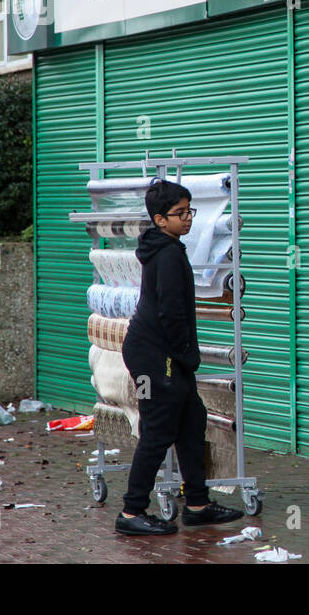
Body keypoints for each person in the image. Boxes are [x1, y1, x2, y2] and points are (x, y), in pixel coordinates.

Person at [117, 179, 244, 535]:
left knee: (192, 422)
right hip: (154, 356)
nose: (188, 218)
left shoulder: (167, 247)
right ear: (160, 219)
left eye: (190, 211)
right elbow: (172, 315)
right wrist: (187, 357)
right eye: (180, 213)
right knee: (157, 430)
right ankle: (131, 512)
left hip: (161, 352)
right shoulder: (169, 254)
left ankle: (199, 505)